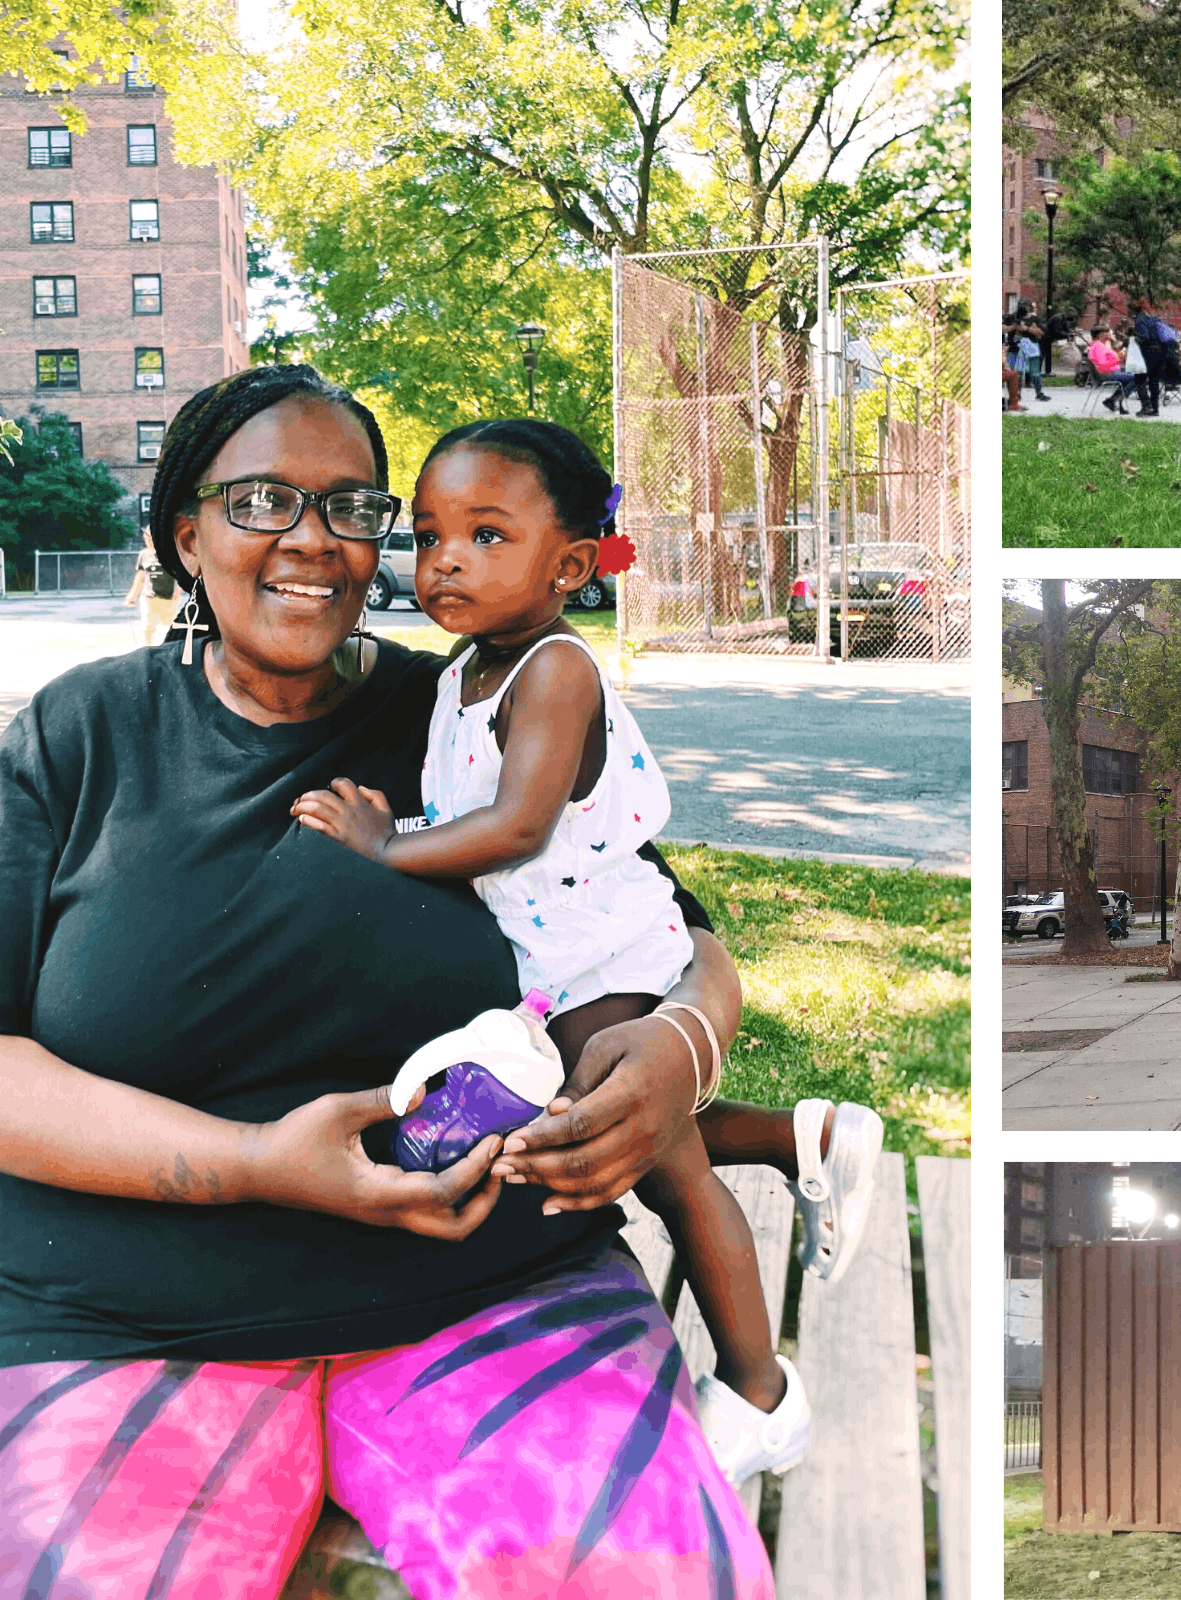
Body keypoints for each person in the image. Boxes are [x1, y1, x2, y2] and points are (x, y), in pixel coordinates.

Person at [0, 363, 854, 1598]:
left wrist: (676, 1056)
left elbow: (671, 933)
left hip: (494, 1292)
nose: (311, 540)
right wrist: (247, 1162)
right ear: (186, 532)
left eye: (350, 508)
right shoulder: (80, 736)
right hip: (118, 1320)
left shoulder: (467, 703)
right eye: (261, 502)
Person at [291, 418, 885, 1484]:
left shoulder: (554, 670)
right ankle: (811, 1137)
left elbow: (517, 826)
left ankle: (758, 1394)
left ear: (568, 566)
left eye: (483, 535)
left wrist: (385, 845)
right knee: (646, 1132)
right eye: (428, 537)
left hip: (600, 953)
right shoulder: (465, 672)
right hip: (552, 952)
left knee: (668, 1170)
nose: (445, 561)